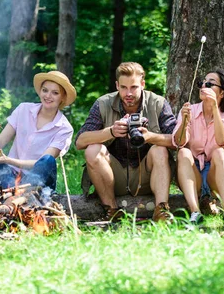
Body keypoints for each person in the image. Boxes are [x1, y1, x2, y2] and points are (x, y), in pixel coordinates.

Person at [75, 62, 177, 222]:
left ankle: (161, 210)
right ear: (117, 85)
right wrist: (111, 131)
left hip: (148, 178)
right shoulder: (103, 103)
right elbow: (80, 141)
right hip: (113, 178)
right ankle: (112, 210)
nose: (128, 93)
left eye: (134, 87)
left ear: (143, 84)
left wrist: (150, 136)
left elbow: (177, 140)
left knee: (160, 149)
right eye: (123, 87)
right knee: (92, 150)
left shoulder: (157, 103)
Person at [172, 68, 224, 227]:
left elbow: (222, 141)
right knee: (184, 152)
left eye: (210, 84)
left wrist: (214, 108)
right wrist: (185, 121)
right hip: (193, 174)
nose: (204, 86)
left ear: (222, 93)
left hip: (215, 175)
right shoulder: (190, 110)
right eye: (202, 83)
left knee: (220, 152)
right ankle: (195, 213)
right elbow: (179, 142)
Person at [0, 71, 77, 191]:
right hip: (9, 175)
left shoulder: (64, 128)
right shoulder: (23, 109)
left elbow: (41, 164)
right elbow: (0, 141)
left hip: (38, 180)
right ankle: (13, 194)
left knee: (48, 160)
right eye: (45, 90)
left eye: (55, 93)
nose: (48, 96)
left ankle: (16, 195)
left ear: (63, 97)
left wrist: (8, 160)